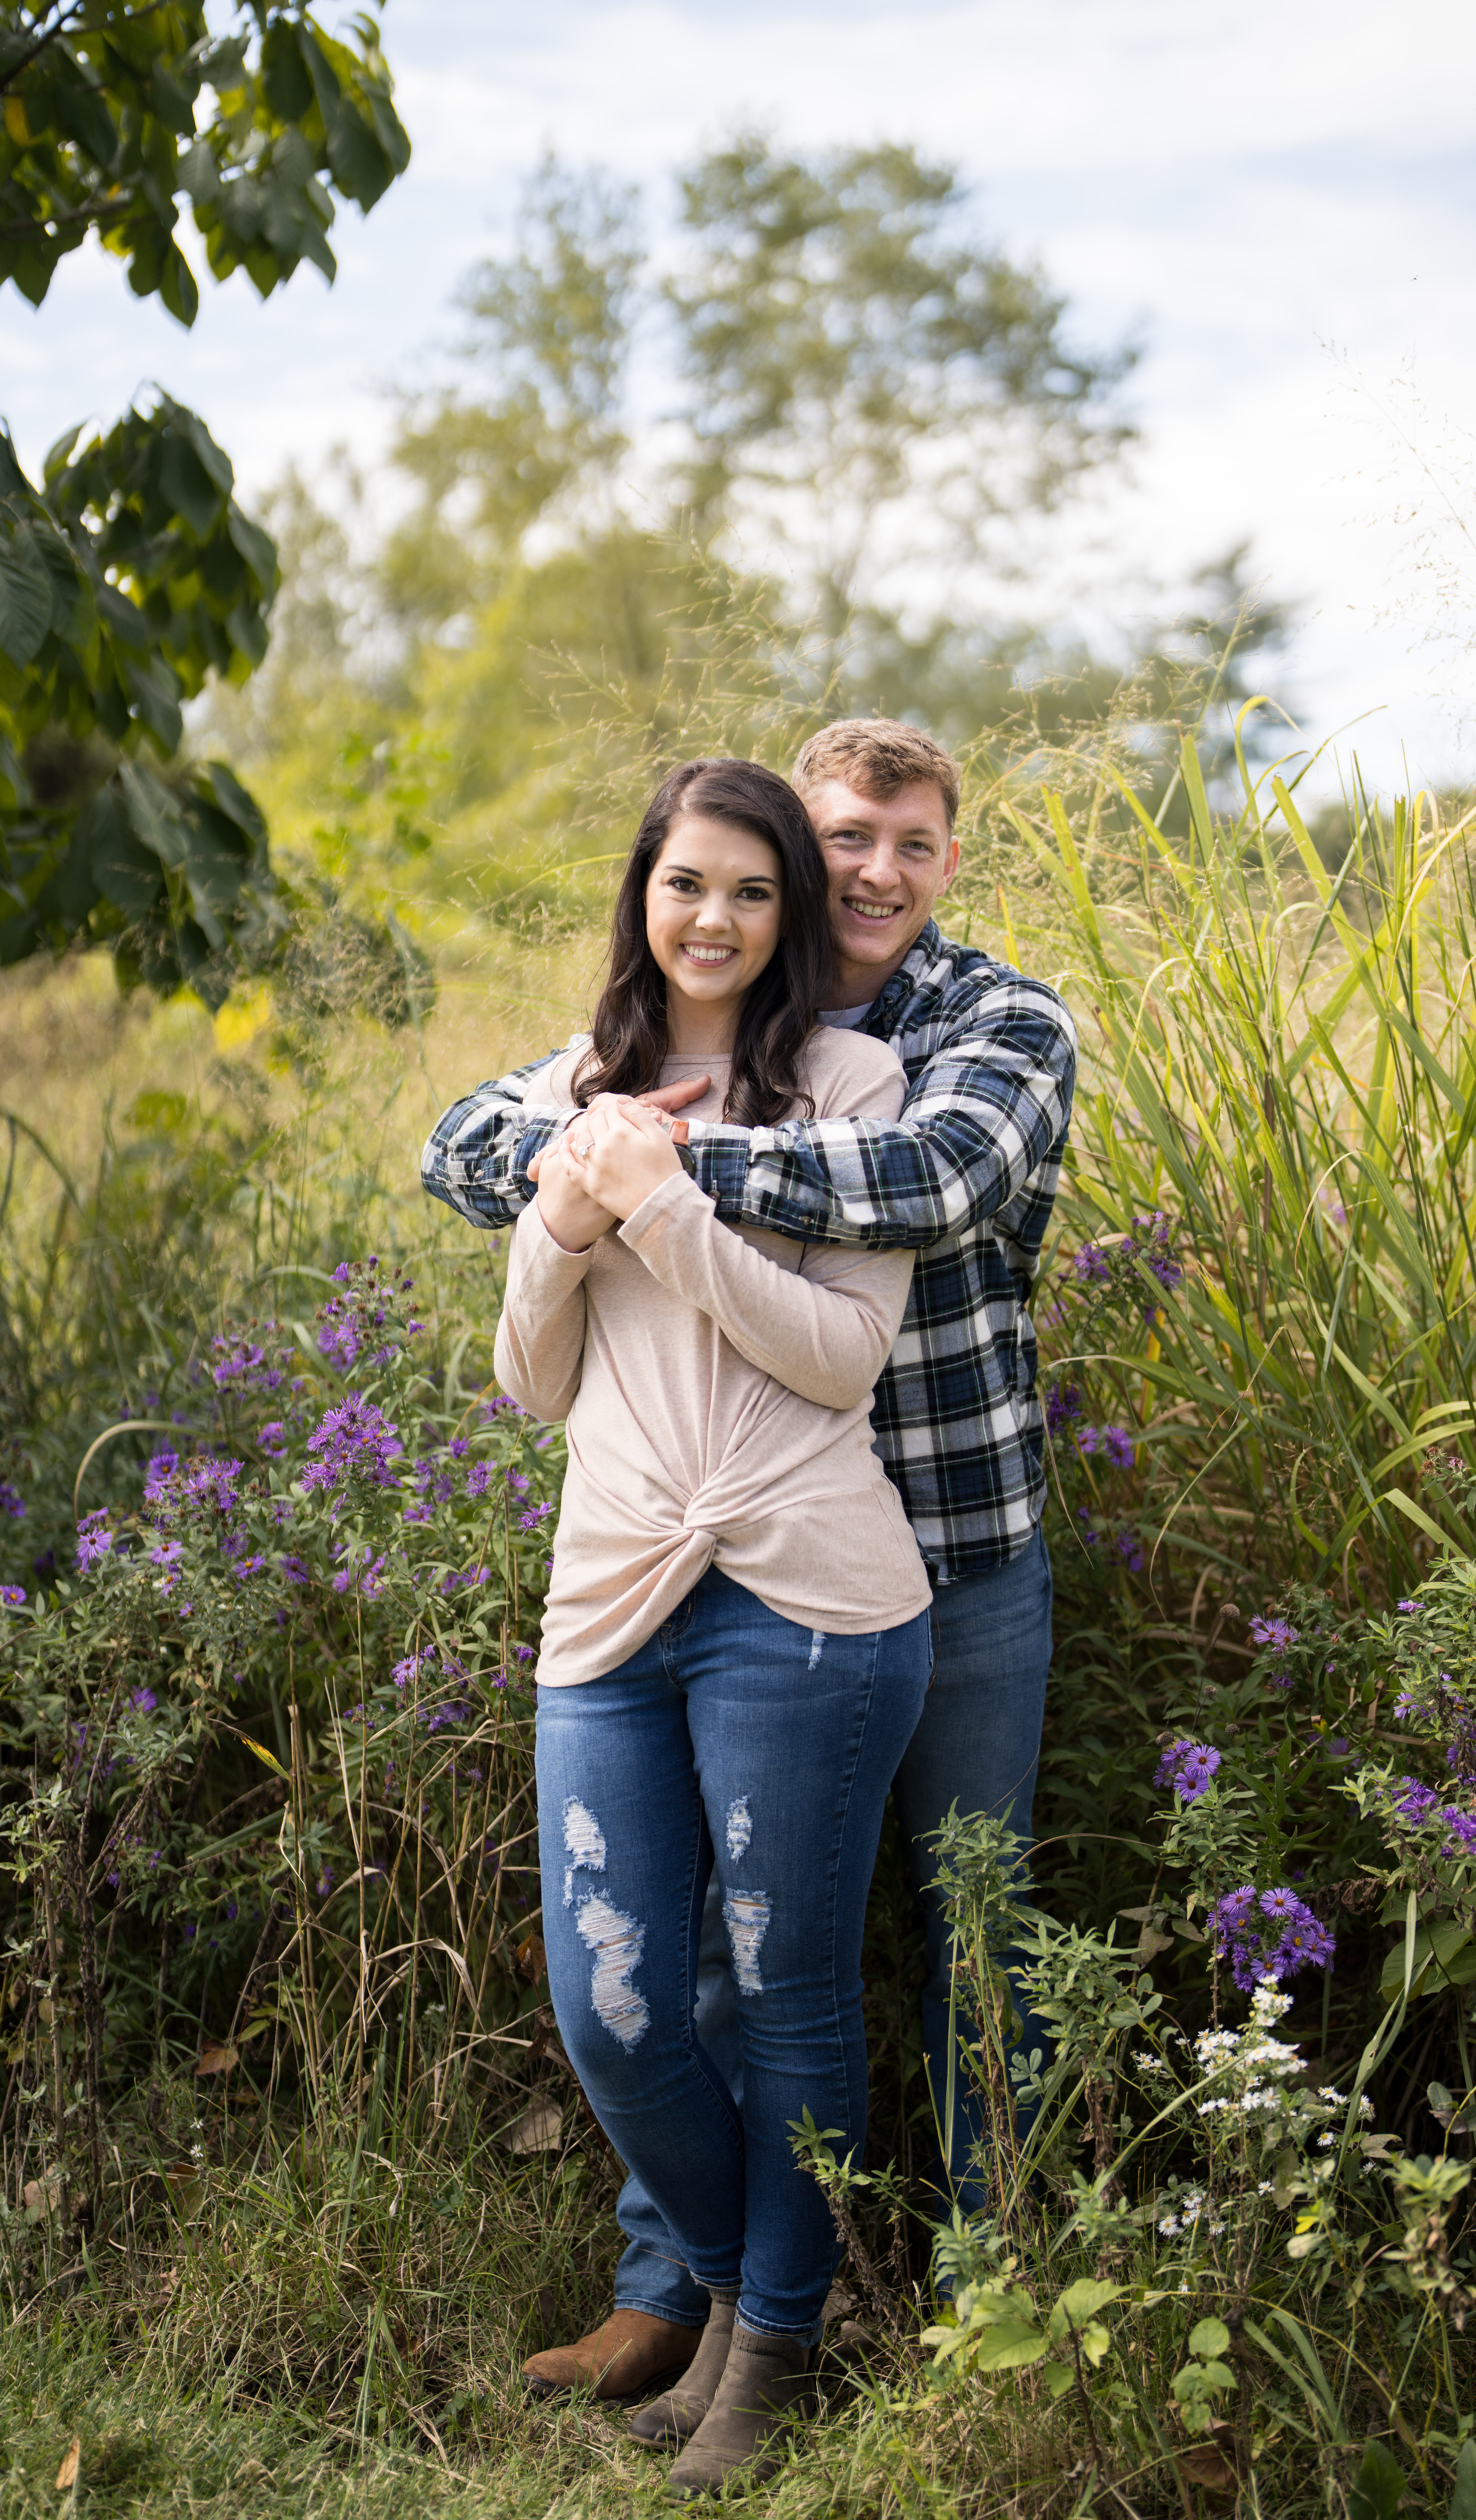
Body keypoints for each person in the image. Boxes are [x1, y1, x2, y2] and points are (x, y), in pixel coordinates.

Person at [422, 718, 1078, 2396]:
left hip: (951, 1538)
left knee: (973, 1929)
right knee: (705, 1956)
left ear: (948, 861)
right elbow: (463, 1145)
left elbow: (935, 1180)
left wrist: (656, 1161)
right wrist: (585, 1153)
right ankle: (691, 2292)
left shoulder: (986, 1024)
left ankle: (989, 2308)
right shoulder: (667, 1027)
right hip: (710, 1558)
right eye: (846, 835)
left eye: (912, 843)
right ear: (792, 845)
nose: (877, 871)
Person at [493, 755, 933, 2495]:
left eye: (754, 890)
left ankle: (773, 2353)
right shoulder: (574, 1088)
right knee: (612, 2001)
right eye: (688, 881)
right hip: (611, 1598)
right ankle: (742, 2293)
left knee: (786, 1987)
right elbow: (532, 1381)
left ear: (788, 914)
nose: (717, 917)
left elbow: (838, 1360)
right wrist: (567, 1206)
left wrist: (666, 1205)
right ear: (644, 892)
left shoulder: (852, 1087)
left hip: (808, 1602)